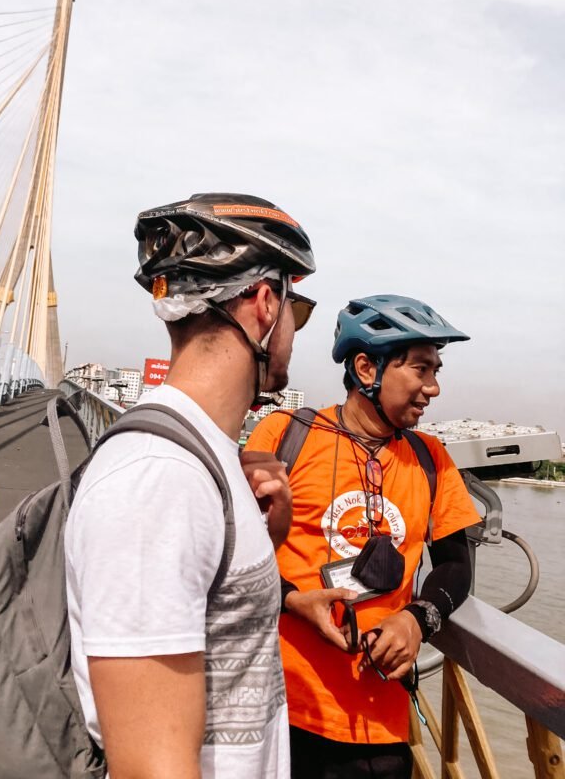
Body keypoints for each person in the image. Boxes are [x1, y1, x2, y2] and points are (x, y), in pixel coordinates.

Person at [64, 193, 318, 779]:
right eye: (297, 312)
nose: (294, 332)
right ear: (265, 304)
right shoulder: (158, 481)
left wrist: (269, 537)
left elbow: (214, 613)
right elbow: (152, 769)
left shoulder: (206, 460)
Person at [247, 294, 482, 779]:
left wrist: (418, 619)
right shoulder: (284, 435)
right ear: (366, 368)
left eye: (436, 371)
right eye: (420, 369)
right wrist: (293, 600)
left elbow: (456, 566)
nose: (433, 387)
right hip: (276, 708)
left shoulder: (431, 459)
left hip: (379, 726)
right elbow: (233, 553)